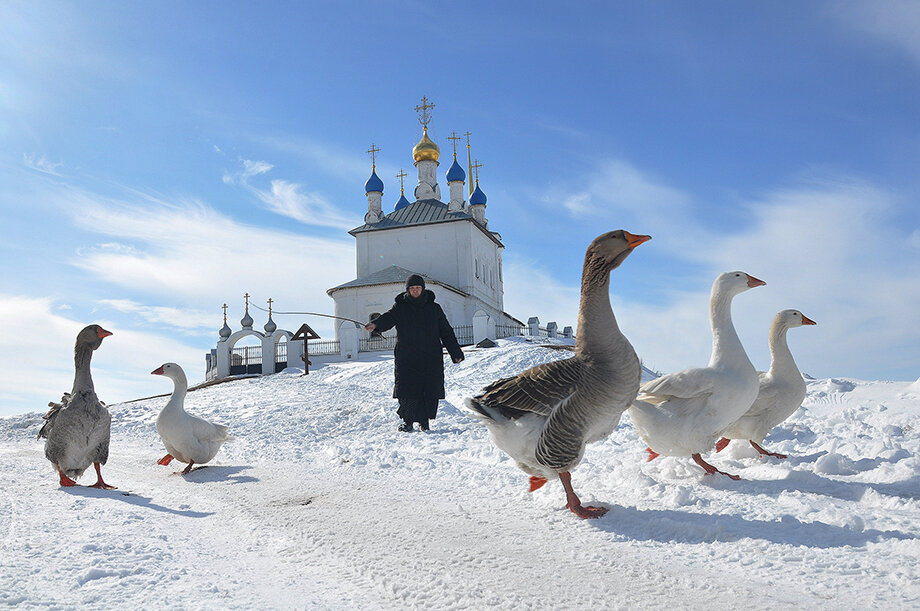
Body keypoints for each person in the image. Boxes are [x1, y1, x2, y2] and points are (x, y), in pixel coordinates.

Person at [364, 274, 464, 432]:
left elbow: (446, 332)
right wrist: (375, 325)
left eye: (418, 288)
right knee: (408, 390)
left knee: (428, 390)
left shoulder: (434, 308)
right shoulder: (401, 307)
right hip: (407, 356)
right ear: (408, 290)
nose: (415, 291)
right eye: (412, 288)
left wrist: (455, 352)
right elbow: (388, 318)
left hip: (430, 356)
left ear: (423, 289)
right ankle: (408, 421)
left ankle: (424, 422)